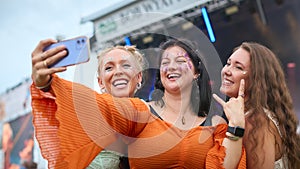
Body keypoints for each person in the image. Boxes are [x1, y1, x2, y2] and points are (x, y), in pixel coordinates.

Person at [30, 38, 246, 168]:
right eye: (165, 62)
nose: (172, 67)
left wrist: (236, 126)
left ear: (197, 72)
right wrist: (47, 84)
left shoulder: (216, 127)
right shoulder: (140, 112)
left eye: (181, 61)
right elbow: (97, 105)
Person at [213, 42, 300, 169]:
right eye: (228, 63)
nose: (226, 71)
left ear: (256, 79)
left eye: (238, 67)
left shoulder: (254, 121)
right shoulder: (258, 116)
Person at [88, 45, 145, 169]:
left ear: (139, 77)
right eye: (109, 68)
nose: (118, 72)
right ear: (101, 82)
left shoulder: (151, 115)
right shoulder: (89, 117)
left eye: (126, 65)